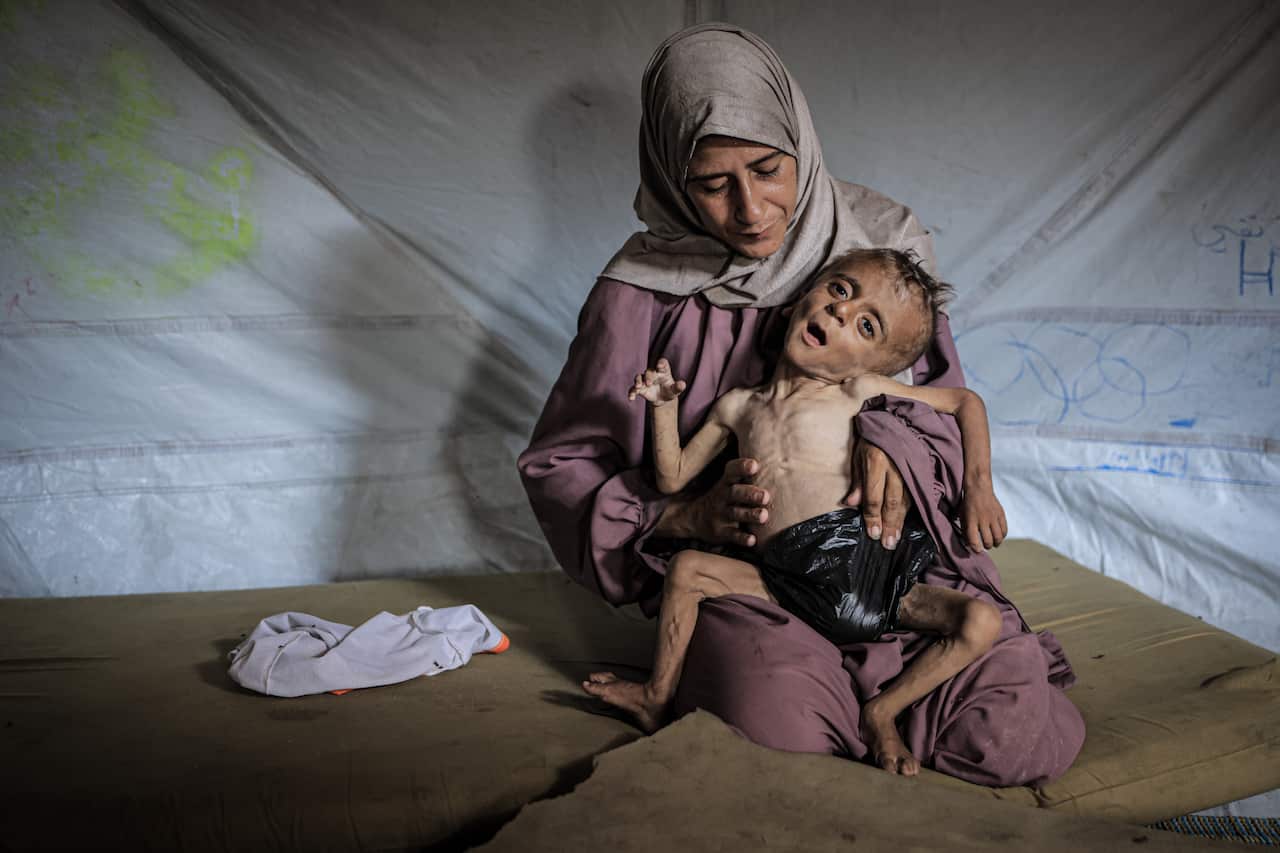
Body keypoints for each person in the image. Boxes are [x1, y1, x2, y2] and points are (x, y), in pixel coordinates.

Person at [518, 23, 1085, 786]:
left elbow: (942, 404)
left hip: (889, 569)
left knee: (1009, 730)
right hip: (760, 584)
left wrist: (887, 437)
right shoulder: (639, 288)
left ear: (801, 139)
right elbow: (565, 465)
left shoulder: (883, 250)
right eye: (712, 184)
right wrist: (677, 518)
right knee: (778, 726)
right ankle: (798, 697)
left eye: (768, 168)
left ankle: (884, 703)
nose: (750, 209)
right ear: (667, 170)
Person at [583, 249, 1007, 776]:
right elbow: (672, 478)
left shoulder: (857, 390)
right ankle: (656, 694)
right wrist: (663, 407)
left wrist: (979, 488)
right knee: (689, 570)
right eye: (840, 291)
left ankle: (883, 710)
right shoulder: (737, 406)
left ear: (873, 365)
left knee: (980, 621)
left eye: (866, 325)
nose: (839, 313)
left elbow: (965, 403)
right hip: (784, 585)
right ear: (798, 300)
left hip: (872, 578)